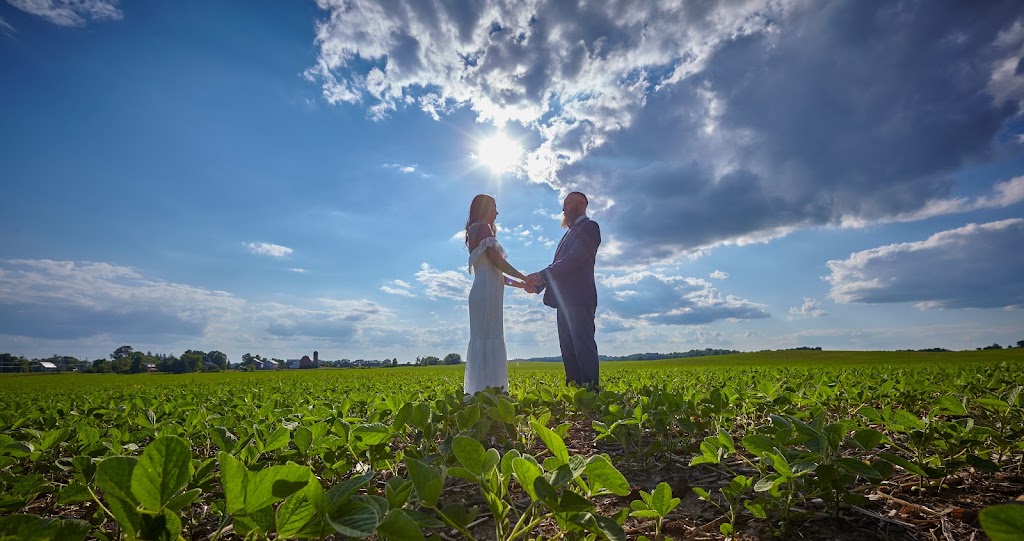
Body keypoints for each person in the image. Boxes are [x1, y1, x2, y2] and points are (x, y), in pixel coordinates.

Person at [526, 192, 601, 389]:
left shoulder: (590, 228)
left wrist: (542, 275)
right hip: (564, 301)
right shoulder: (568, 233)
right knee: (568, 349)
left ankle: (591, 391)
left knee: (582, 346)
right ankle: (574, 390)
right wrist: (539, 285)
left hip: (579, 298)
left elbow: (575, 259)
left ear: (581, 204)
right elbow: (559, 265)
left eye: (567, 204)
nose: (563, 209)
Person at [464, 194, 533, 395]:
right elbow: (496, 262)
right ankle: (491, 391)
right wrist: (525, 276)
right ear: (486, 208)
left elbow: (497, 274)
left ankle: (484, 392)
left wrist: (520, 284)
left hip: (486, 289)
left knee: (486, 336)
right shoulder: (482, 227)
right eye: (494, 207)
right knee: (489, 336)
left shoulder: (475, 229)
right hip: (486, 292)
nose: (497, 212)